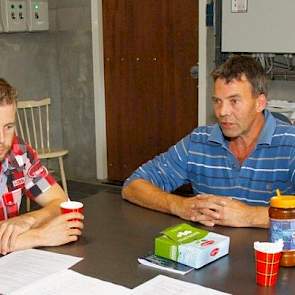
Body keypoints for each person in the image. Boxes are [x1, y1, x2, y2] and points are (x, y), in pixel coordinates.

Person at [122, 55, 295, 229]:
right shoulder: (199, 141)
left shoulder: (291, 143)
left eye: (234, 101)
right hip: (211, 251)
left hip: (271, 253)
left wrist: (250, 216)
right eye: (218, 101)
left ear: (260, 103)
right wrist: (179, 205)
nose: (223, 111)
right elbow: (133, 185)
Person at [0, 78, 83, 255]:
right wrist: (39, 236)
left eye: (8, 126)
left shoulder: (19, 153)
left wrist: (28, 220)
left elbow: (60, 201)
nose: (2, 139)